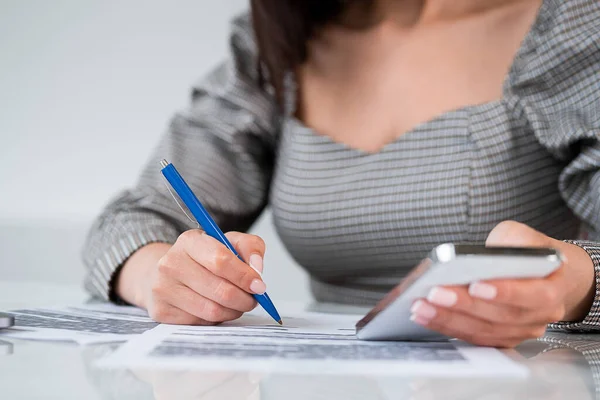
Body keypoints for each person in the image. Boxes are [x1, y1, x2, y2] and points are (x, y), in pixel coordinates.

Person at [83, 0, 600, 348]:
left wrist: (574, 283)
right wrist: (163, 277)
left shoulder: (569, 27)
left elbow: (579, 278)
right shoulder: (277, 44)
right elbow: (128, 222)